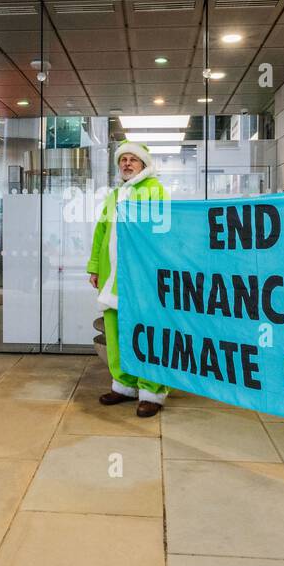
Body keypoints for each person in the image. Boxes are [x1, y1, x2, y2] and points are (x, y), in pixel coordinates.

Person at [86, 141, 170, 418]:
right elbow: (101, 232)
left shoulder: (154, 191)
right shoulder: (114, 195)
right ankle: (123, 385)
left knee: (146, 332)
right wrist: (95, 267)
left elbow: (163, 233)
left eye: (133, 159)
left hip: (141, 276)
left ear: (144, 164)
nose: (127, 164)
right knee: (116, 331)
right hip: (113, 277)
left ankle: (152, 390)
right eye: (123, 160)